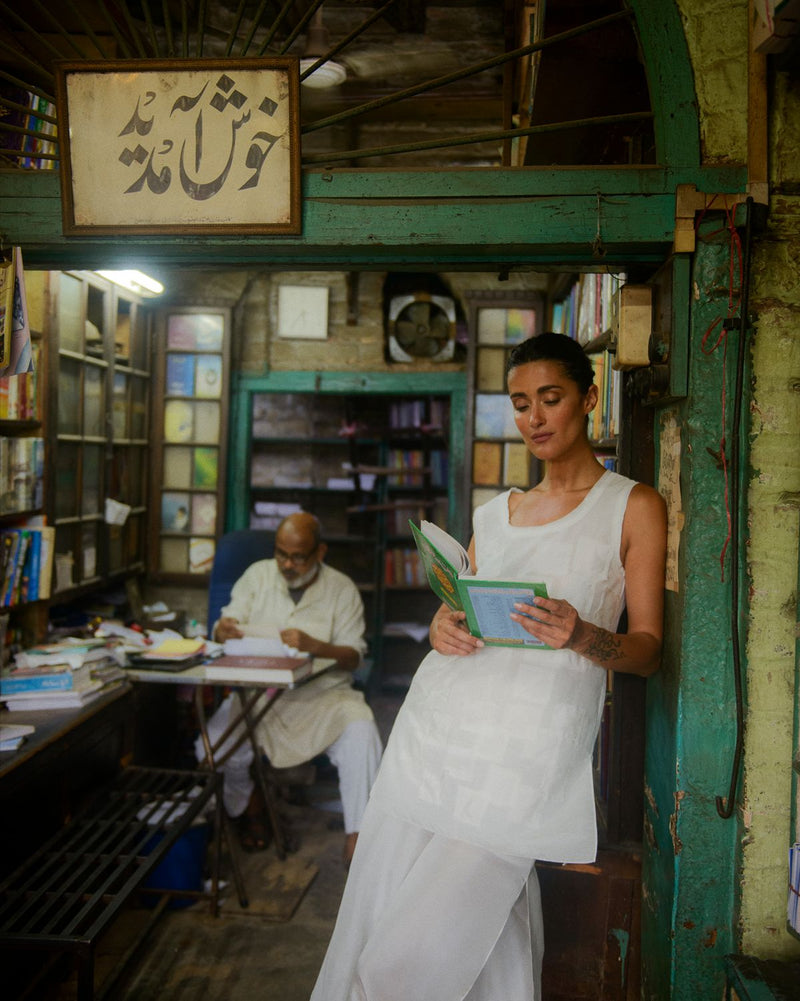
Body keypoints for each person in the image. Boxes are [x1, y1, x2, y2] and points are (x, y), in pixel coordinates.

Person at [311, 332, 667, 1000]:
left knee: (398, 965)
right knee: (444, 942)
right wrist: (442, 626)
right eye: (521, 402)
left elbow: (648, 650)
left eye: (551, 398)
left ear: (591, 398)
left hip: (526, 765)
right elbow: (464, 613)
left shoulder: (633, 505)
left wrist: (583, 632)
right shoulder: (495, 514)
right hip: (438, 738)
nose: (533, 417)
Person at [198, 512, 382, 866]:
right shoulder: (257, 576)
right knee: (212, 745)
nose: (286, 563)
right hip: (259, 695)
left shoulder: (341, 588)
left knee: (362, 732)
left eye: (297, 557)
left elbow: (353, 658)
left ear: (320, 552)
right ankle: (252, 809)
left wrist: (318, 646)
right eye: (281, 553)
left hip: (324, 696)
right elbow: (225, 627)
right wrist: (223, 631)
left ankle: (358, 838)